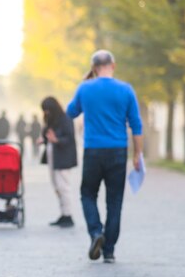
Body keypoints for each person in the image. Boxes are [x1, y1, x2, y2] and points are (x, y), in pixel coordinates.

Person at [66, 49, 143, 263]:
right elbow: (136, 125)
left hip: (93, 151)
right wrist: (137, 154)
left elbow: (70, 112)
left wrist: (84, 85)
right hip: (118, 151)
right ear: (113, 65)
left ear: (93, 68)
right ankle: (109, 250)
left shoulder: (85, 88)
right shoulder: (126, 90)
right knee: (115, 200)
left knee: (88, 194)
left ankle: (95, 232)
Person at [38, 97, 77, 228]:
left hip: (63, 157)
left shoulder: (66, 119)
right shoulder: (52, 120)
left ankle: (68, 215)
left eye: (47, 110)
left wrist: (57, 140)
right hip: (53, 156)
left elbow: (69, 138)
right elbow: (48, 134)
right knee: (56, 186)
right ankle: (63, 213)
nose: (46, 113)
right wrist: (44, 139)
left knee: (63, 186)